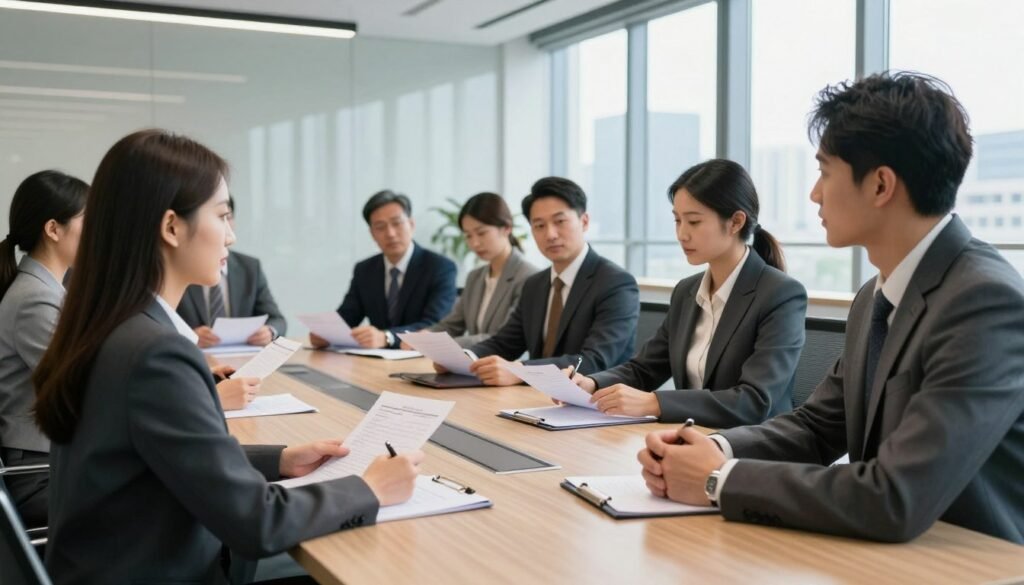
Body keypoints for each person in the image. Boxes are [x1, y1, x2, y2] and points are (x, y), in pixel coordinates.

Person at [637, 72, 1024, 544]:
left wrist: (718, 480)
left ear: (881, 185)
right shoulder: (874, 298)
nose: (814, 194)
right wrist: (711, 448)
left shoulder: (985, 302)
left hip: (966, 565)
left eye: (824, 172)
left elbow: (895, 495)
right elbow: (817, 428)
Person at [33, 129, 423, 583]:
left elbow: (162, 454)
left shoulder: (110, 326)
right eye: (222, 216)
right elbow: (255, 523)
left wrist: (280, 459)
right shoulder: (155, 354)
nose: (232, 236)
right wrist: (369, 488)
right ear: (172, 227)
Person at [575, 160, 807, 426]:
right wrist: (592, 383)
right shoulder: (687, 291)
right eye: (677, 220)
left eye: (694, 222)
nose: (682, 234)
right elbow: (645, 368)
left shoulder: (781, 295)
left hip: (753, 448)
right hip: (692, 437)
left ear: (735, 222)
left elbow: (754, 401)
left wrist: (655, 403)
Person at [462, 177, 639, 386]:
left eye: (560, 221)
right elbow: (505, 343)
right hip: (537, 400)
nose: (550, 234)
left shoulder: (616, 283)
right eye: (539, 225)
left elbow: (594, 360)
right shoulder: (535, 284)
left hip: (595, 405)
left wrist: (521, 371)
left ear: (584, 222)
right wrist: (465, 359)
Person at [0, 170, 86, 528]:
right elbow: (79, 388)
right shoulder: (35, 298)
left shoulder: (49, 291)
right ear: (53, 229)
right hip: (38, 474)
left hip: (55, 459)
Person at [311, 190, 457, 350]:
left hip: (421, 359)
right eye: (380, 227)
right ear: (372, 234)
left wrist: (388, 337)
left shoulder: (440, 267)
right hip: (374, 361)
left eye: (397, 223)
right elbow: (348, 315)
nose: (390, 233)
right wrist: (327, 333)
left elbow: (435, 324)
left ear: (411, 224)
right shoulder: (365, 269)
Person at [422, 192, 538, 347]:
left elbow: (504, 336)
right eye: (468, 236)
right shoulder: (475, 277)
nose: (475, 243)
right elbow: (453, 324)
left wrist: (446, 344)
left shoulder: (529, 277)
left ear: (506, 228)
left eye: (481, 233)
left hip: (507, 365)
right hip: (472, 363)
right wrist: (426, 336)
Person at [177, 195, 287, 348]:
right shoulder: (181, 267)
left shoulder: (250, 267)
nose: (228, 235)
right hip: (196, 356)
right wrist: (189, 335)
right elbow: (157, 324)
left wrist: (269, 331)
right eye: (219, 217)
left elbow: (277, 319)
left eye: (227, 217)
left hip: (242, 357)